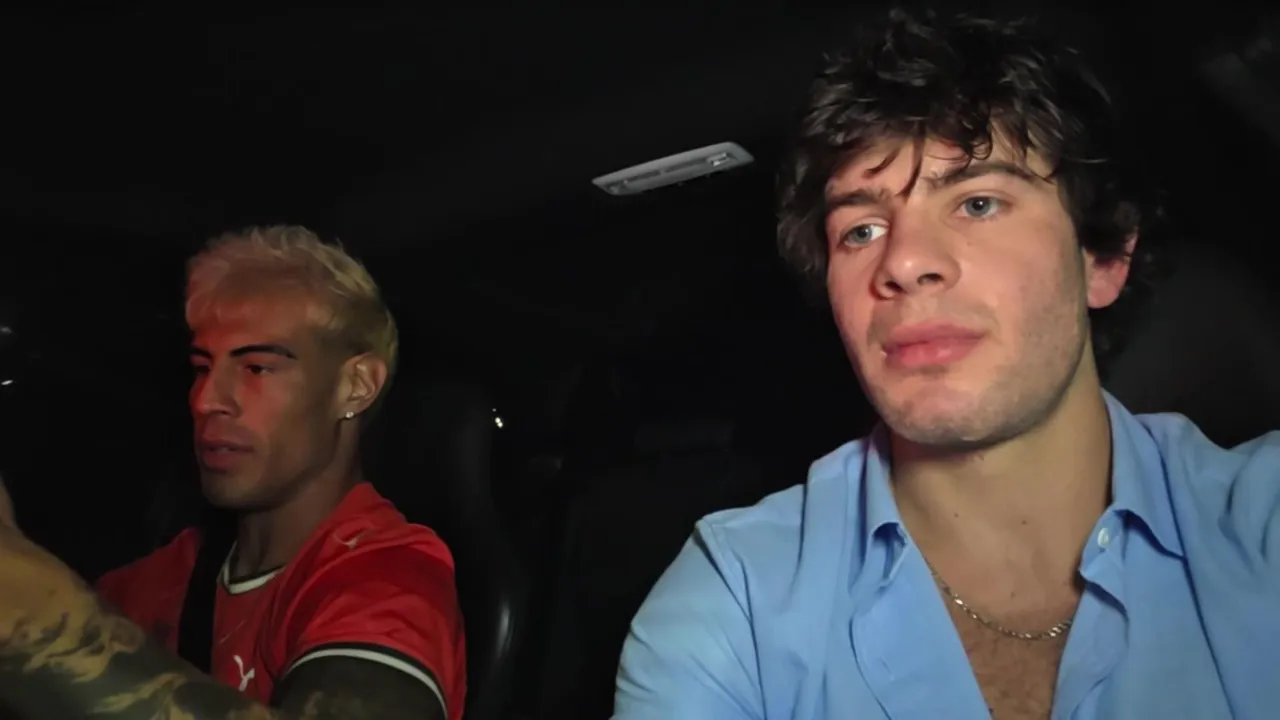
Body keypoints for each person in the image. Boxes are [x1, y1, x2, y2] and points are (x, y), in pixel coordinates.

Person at [615, 10, 1280, 720]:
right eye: (861, 230)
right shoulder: (737, 605)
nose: (902, 262)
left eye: (978, 203)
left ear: (1104, 257)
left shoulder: (1260, 521)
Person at [0, 226, 465, 719]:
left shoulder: (390, 579)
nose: (205, 401)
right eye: (202, 368)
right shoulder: (164, 574)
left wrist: (33, 616)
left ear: (356, 386)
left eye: (256, 368)